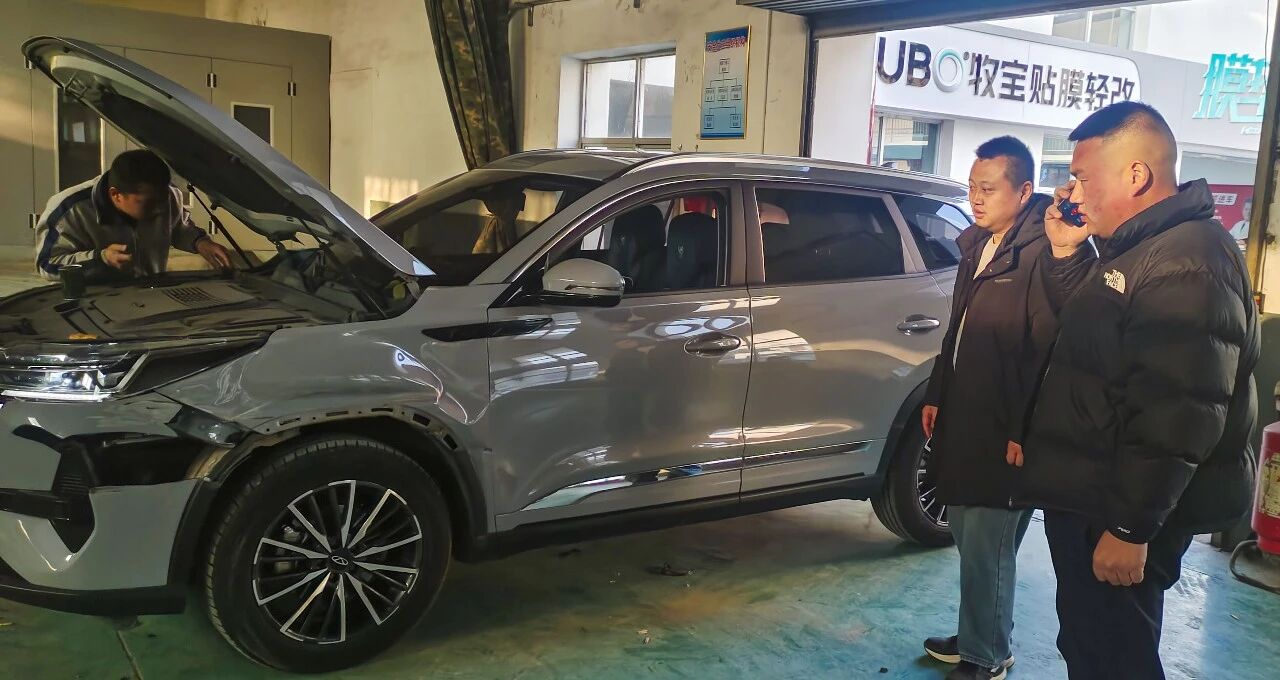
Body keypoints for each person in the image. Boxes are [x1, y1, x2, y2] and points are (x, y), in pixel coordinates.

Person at [1023, 101, 1259, 679]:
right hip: (1097, 494)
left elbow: (1179, 411)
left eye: (1083, 178)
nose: (1074, 195)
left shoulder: (1188, 260)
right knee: (1091, 644)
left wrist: (1130, 528)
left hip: (1120, 507)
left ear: (1135, 174)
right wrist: (1065, 251)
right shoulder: (1141, 248)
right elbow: (1091, 336)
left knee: (1113, 657)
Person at [920, 136, 1057, 680]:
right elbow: (957, 328)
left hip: (1005, 426)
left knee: (989, 543)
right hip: (966, 413)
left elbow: (1047, 350)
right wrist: (937, 391)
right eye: (972, 187)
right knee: (971, 536)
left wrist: (1024, 427)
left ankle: (986, 656)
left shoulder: (1043, 253)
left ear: (1024, 191)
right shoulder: (980, 242)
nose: (976, 198)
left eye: (989, 189)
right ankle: (979, 632)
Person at [34, 149, 232, 281]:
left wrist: (200, 242)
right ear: (116, 195)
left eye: (162, 200)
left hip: (149, 294)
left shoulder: (168, 195)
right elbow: (47, 265)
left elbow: (178, 227)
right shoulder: (69, 210)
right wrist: (100, 258)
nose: (160, 210)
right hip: (94, 306)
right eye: (149, 203)